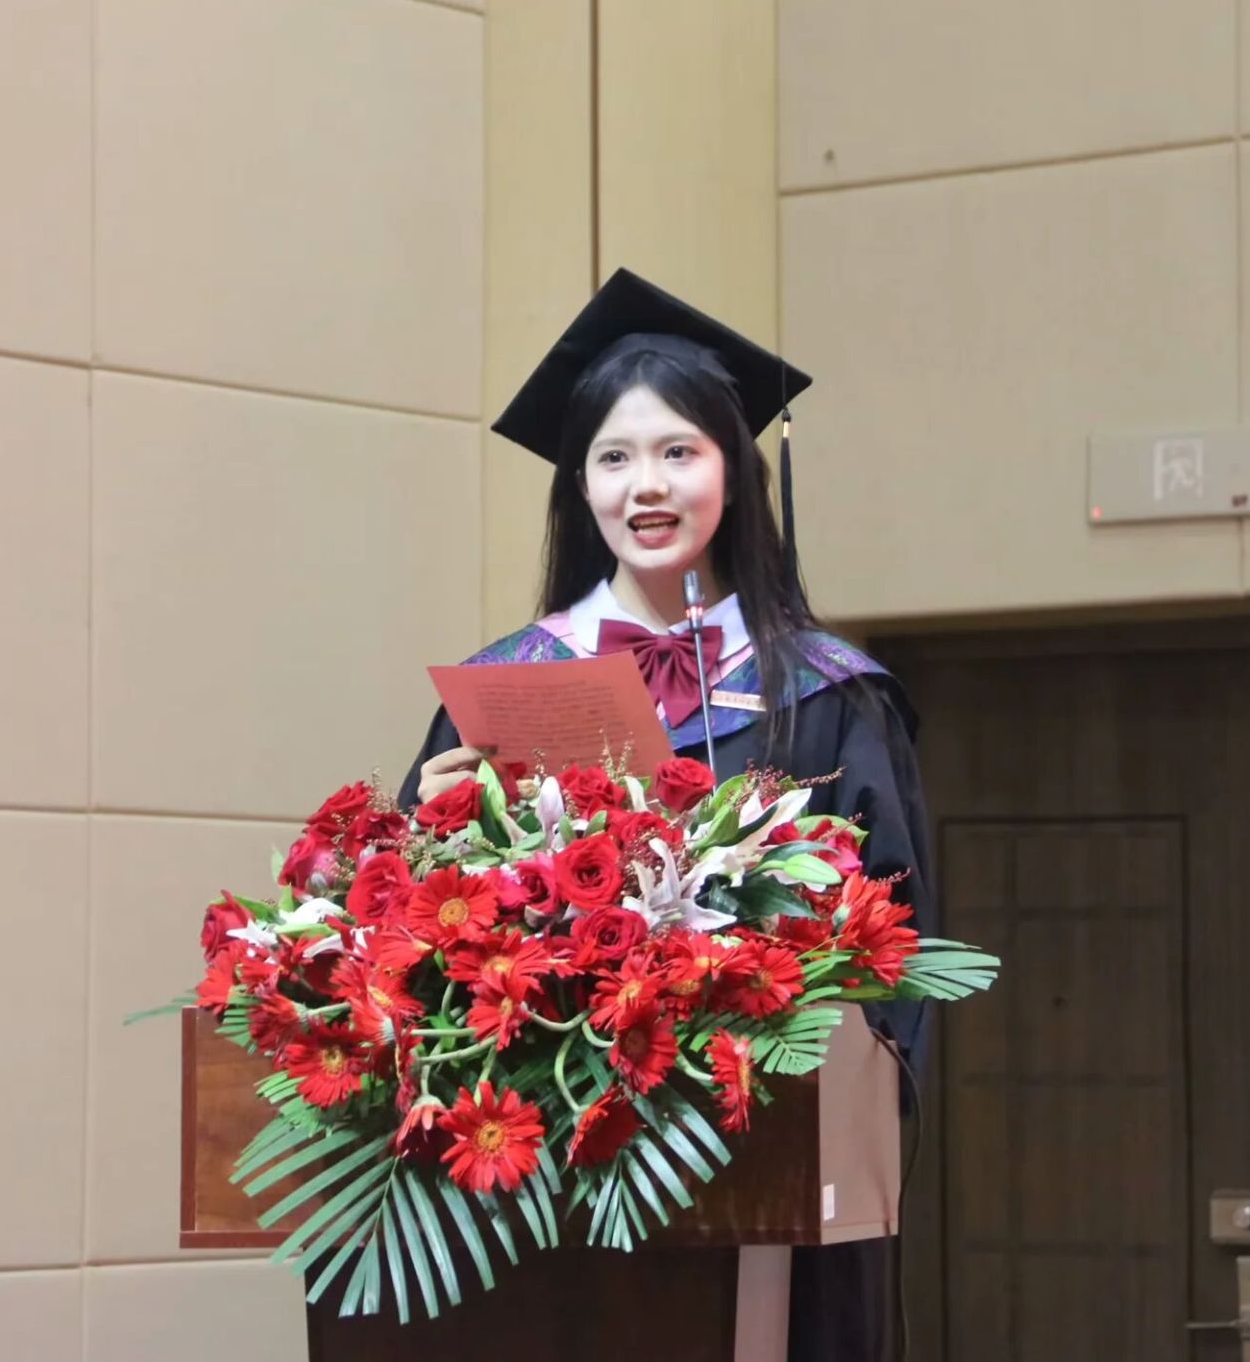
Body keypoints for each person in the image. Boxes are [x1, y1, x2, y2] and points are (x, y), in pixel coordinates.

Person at [395, 268, 935, 1362]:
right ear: (579, 485)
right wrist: (435, 833)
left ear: (733, 469)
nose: (646, 485)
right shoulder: (510, 686)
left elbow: (895, 957)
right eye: (614, 457)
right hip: (546, 1175)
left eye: (678, 452)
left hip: (759, 1157)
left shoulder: (827, 697)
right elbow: (422, 940)